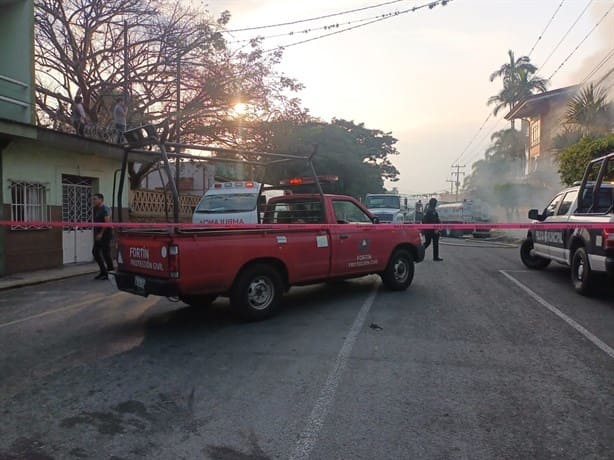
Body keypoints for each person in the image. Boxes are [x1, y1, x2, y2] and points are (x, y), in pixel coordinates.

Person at [92, 193, 114, 280]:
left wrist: (101, 233)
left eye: (95, 199)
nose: (94, 201)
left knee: (106, 254)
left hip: (106, 234)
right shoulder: (96, 209)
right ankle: (103, 271)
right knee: (95, 252)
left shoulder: (105, 209)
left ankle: (111, 272)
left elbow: (107, 222)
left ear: (101, 200)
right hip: (99, 235)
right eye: (93, 199)